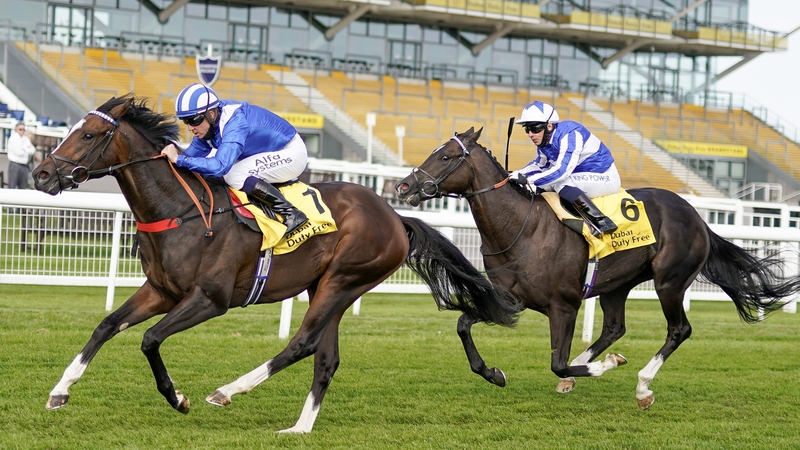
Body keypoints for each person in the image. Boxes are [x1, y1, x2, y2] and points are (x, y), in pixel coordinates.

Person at [161, 83, 308, 236]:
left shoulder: (235, 122)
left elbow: (220, 166)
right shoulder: (209, 126)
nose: (190, 127)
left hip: (291, 152)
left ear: (211, 114)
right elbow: (189, 157)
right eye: (186, 121)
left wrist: (180, 159)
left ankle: (291, 213)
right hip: (267, 152)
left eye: (194, 120)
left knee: (233, 174)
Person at [510, 101, 620, 235]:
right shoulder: (545, 143)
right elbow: (539, 166)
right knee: (547, 183)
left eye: (535, 129)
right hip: (583, 176)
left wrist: (528, 180)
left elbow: (562, 171)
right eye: (527, 129)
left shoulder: (570, 134)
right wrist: (515, 174)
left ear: (549, 126)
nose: (530, 134)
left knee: (560, 183)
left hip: (606, 177)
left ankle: (601, 222)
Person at [6, 122, 36, 189]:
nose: (22, 131)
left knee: (22, 187)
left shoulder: (25, 139)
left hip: (25, 166)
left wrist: (24, 149)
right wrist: (26, 148)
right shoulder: (13, 138)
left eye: (23, 129)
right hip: (15, 165)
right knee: (12, 186)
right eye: (20, 129)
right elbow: (19, 152)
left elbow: (33, 150)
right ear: (16, 129)